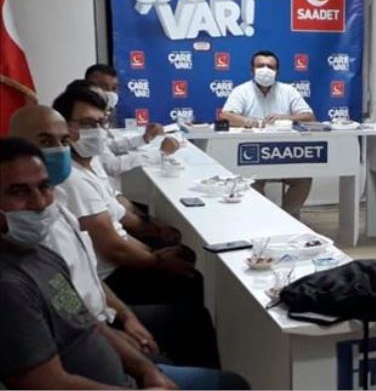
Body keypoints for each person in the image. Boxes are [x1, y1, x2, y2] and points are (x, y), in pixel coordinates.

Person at [0, 138, 249, 390]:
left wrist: (146, 369)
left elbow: (87, 322)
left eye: (44, 187)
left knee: (229, 382)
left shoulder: (41, 253)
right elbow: (47, 384)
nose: (39, 203)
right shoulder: (10, 286)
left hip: (124, 374)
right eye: (19, 192)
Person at [53, 87, 203, 306]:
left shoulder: (91, 161)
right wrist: (157, 260)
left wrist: (153, 252)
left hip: (119, 259)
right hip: (109, 278)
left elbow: (118, 224)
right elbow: (114, 248)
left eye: (100, 123)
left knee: (181, 254)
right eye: (87, 124)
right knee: (190, 278)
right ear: (64, 128)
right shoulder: (72, 179)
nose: (97, 131)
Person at [221, 50, 315, 218]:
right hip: (251, 158)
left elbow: (309, 117)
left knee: (303, 179)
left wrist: (286, 117)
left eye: (270, 67)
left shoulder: (288, 91)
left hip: (284, 155)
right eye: (260, 66)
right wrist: (254, 122)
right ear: (252, 70)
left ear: (277, 71)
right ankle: (265, 220)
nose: (265, 70)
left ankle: (288, 219)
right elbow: (226, 116)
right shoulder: (241, 91)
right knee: (251, 184)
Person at [71, 75, 180, 192]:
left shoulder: (95, 125)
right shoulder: (79, 140)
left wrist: (144, 138)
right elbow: (112, 166)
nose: (109, 93)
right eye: (103, 87)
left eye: (113, 88)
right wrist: (160, 153)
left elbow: (108, 145)